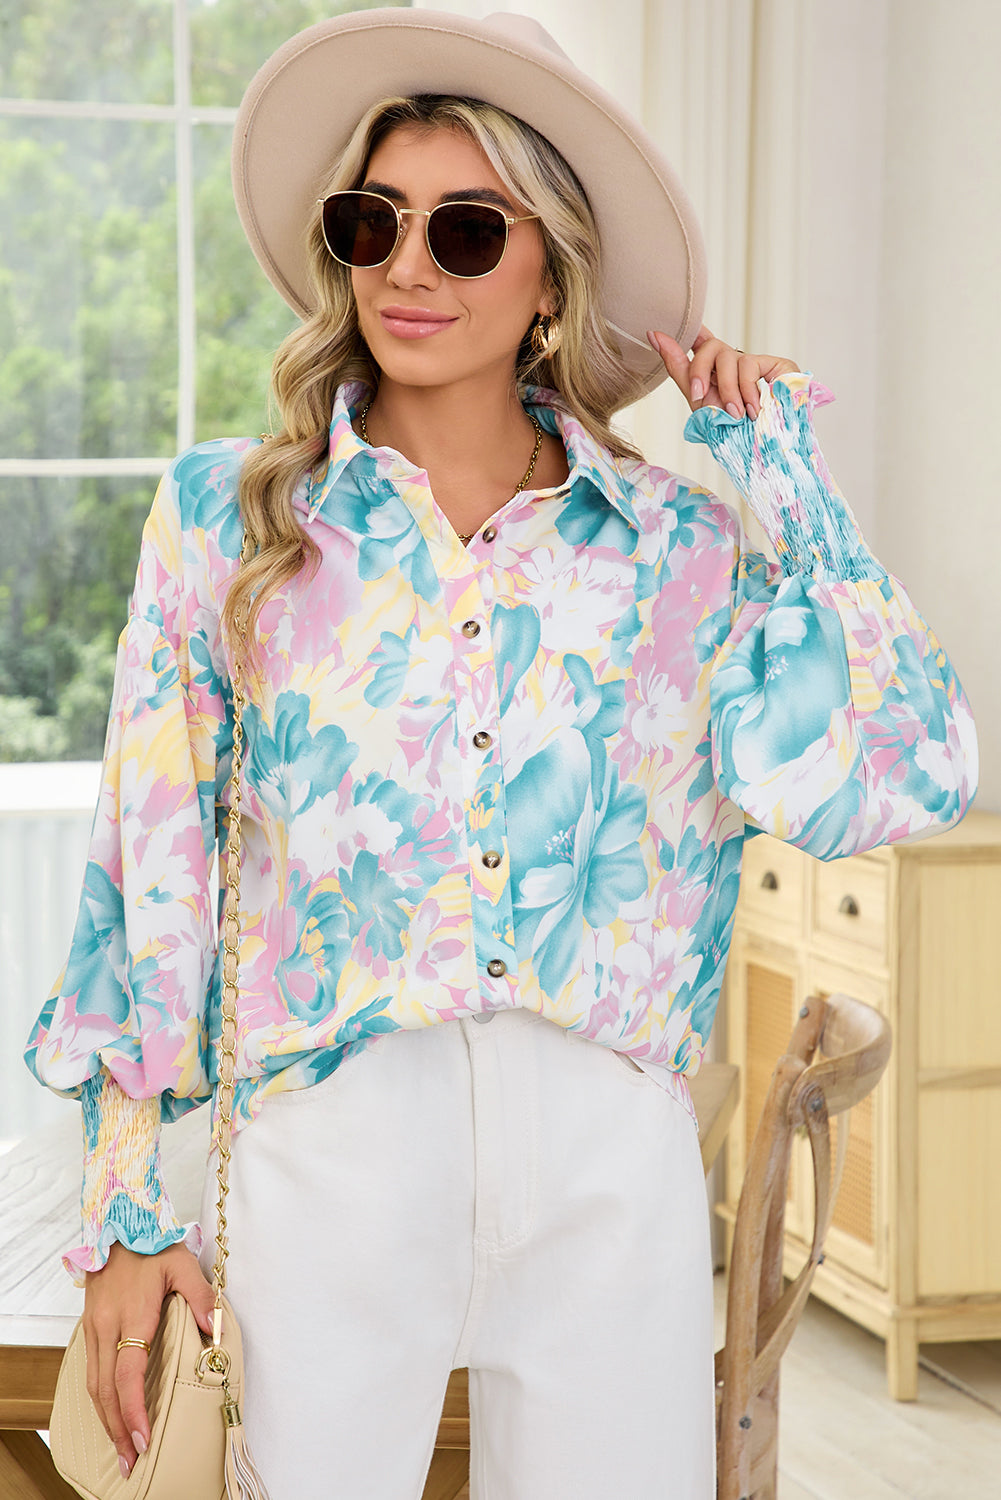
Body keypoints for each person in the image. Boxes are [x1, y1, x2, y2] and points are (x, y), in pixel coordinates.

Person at [25, 10, 977, 1500]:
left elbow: (898, 778)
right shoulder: (228, 521)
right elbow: (149, 873)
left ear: (550, 273)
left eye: (467, 230)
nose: (409, 266)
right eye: (374, 222)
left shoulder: (679, 546)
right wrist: (127, 1212)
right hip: (332, 1156)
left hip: (612, 1163)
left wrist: (783, 476)